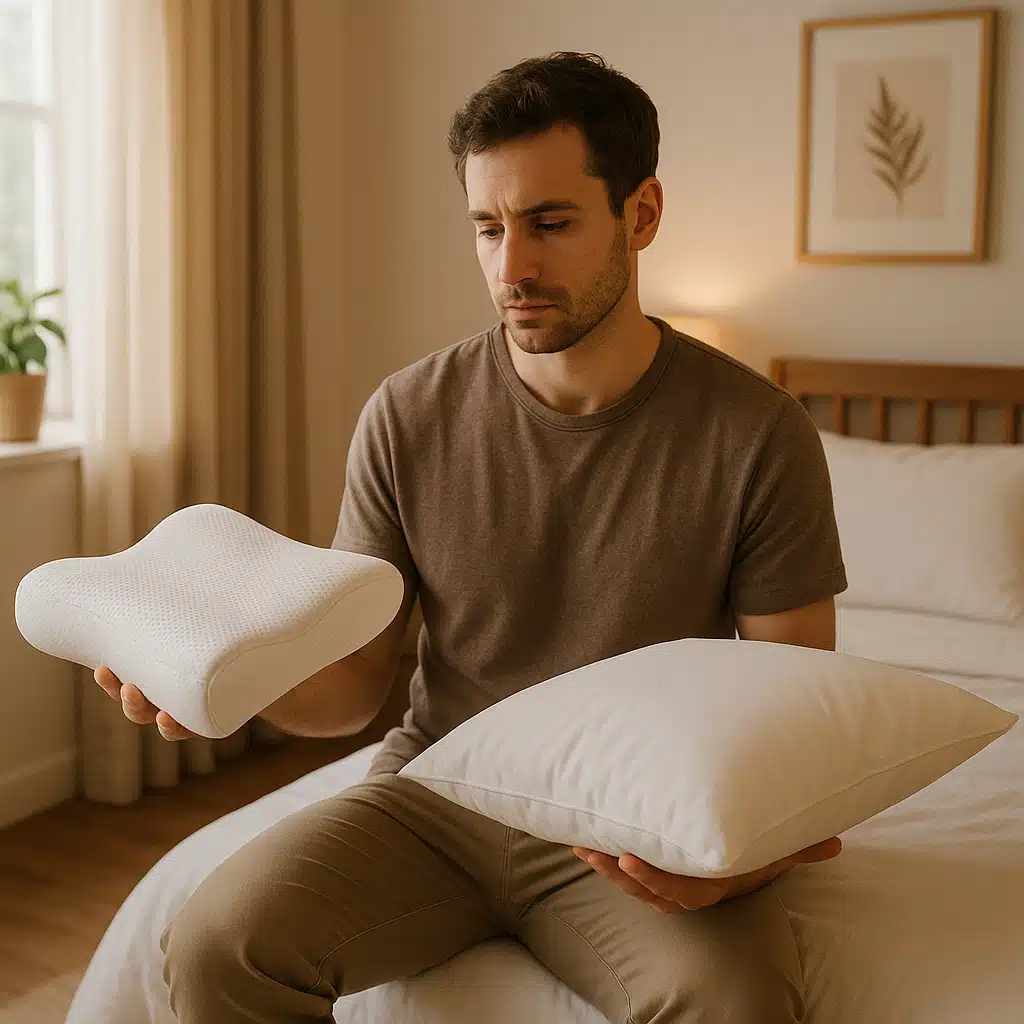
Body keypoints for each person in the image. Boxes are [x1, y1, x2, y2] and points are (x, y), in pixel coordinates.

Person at [96, 51, 847, 1023]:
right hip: (437, 791)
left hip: (630, 826)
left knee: (734, 1001)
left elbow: (797, 710)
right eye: (487, 228)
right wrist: (224, 684)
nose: (512, 267)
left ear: (642, 215)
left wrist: (739, 862)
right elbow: (354, 685)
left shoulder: (755, 432)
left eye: (549, 223)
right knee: (211, 943)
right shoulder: (407, 414)